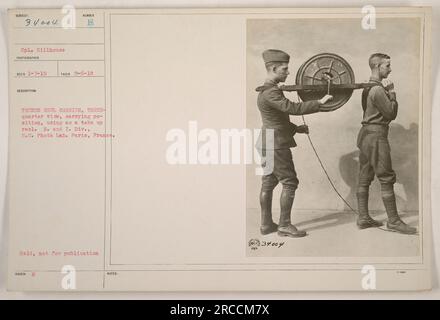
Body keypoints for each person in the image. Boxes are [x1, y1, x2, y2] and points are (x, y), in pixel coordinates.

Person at [256, 49, 333, 238]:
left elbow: (277, 118)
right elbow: (291, 108)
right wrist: (319, 101)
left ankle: (266, 225)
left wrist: (296, 129)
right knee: (290, 182)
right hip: (276, 145)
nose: (288, 72)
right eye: (285, 69)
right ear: (274, 68)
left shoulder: (266, 91)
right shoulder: (271, 92)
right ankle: (284, 225)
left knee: (269, 182)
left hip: (268, 142)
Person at [356, 53, 416, 234]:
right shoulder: (378, 90)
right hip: (376, 136)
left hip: (365, 135)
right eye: (387, 66)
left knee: (365, 175)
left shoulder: (368, 88)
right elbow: (390, 114)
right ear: (376, 66)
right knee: (386, 177)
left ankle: (363, 217)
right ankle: (394, 221)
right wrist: (392, 93)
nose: (390, 69)